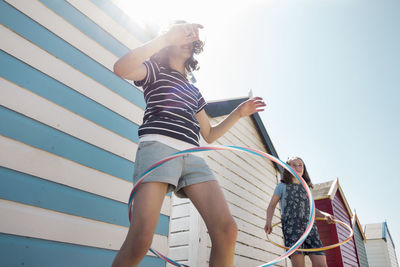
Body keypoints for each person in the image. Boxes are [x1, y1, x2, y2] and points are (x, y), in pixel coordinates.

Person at [111, 21, 266, 267]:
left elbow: (209, 134)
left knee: (227, 230)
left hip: (193, 157)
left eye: (191, 38)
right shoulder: (154, 70)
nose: (188, 40)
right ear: (170, 40)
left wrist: (237, 113)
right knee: (141, 239)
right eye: (182, 35)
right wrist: (163, 38)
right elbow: (120, 68)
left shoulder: (194, 91)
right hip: (159, 149)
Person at [264, 157, 334, 267]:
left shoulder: (307, 188)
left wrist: (324, 215)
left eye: (300, 165)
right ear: (288, 168)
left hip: (310, 229)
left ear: (304, 168)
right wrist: (268, 222)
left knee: (322, 265)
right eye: (294, 165)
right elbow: (271, 206)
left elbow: (311, 209)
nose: (298, 167)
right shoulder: (282, 186)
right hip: (293, 229)